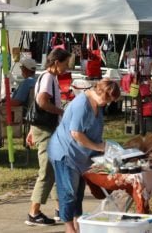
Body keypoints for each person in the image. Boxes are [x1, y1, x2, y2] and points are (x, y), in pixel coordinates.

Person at [48, 78, 122, 232]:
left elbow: (93, 130)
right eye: (108, 100)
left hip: (81, 156)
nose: (108, 104)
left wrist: (104, 148)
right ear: (102, 93)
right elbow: (76, 133)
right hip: (66, 153)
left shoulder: (98, 105)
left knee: (78, 192)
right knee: (68, 191)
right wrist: (98, 147)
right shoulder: (82, 104)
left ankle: (78, 223)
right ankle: (69, 228)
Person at [24, 49, 71, 227]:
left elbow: (35, 104)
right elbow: (42, 102)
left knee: (55, 168)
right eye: (65, 63)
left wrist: (31, 129)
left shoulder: (45, 77)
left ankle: (60, 209)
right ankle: (33, 213)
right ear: (56, 62)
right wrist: (62, 112)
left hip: (44, 129)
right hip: (46, 130)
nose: (66, 67)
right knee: (47, 171)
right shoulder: (49, 78)